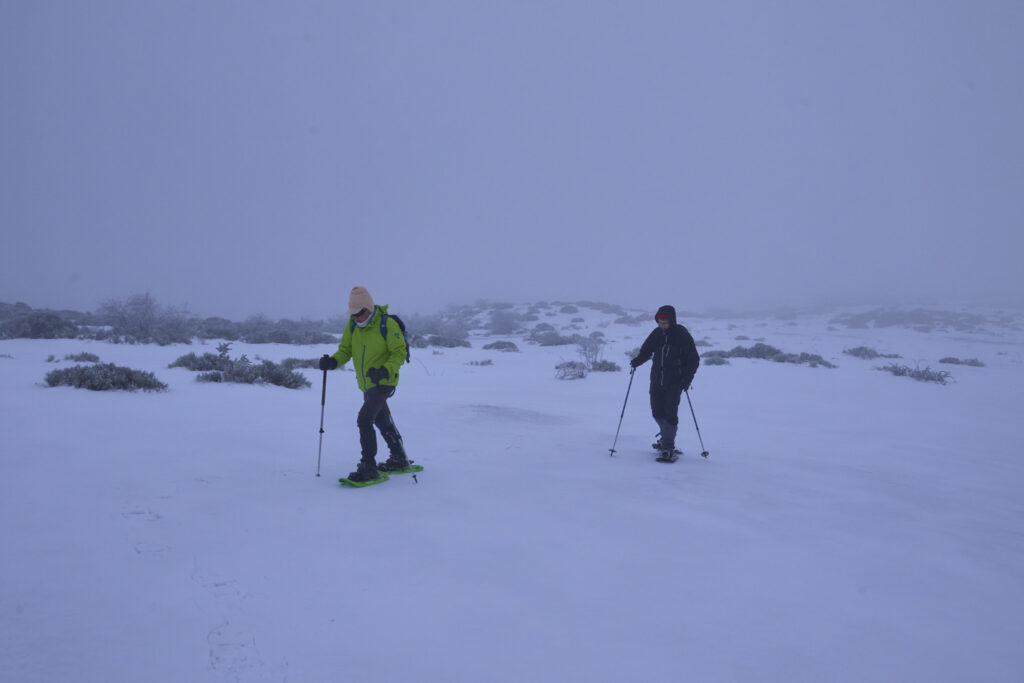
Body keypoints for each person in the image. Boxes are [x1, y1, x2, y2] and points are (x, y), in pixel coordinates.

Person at [319, 286, 410, 482]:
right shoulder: (352, 326)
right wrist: (333, 362)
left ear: (368, 308)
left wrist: (385, 370)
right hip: (367, 383)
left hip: (384, 380)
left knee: (364, 419)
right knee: (381, 419)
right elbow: (345, 350)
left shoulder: (386, 324)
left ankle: (368, 466)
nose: (357, 318)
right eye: (353, 314)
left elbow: (399, 352)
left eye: (359, 313)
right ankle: (399, 457)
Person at [630, 305, 700, 459]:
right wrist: (637, 361)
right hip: (656, 380)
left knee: (670, 413)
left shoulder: (682, 335)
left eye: (665, 323)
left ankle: (668, 445)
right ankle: (665, 437)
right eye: (660, 322)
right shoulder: (656, 334)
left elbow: (693, 360)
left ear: (672, 321)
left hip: (675, 382)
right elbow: (646, 351)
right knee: (656, 411)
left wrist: (686, 380)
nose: (662, 326)